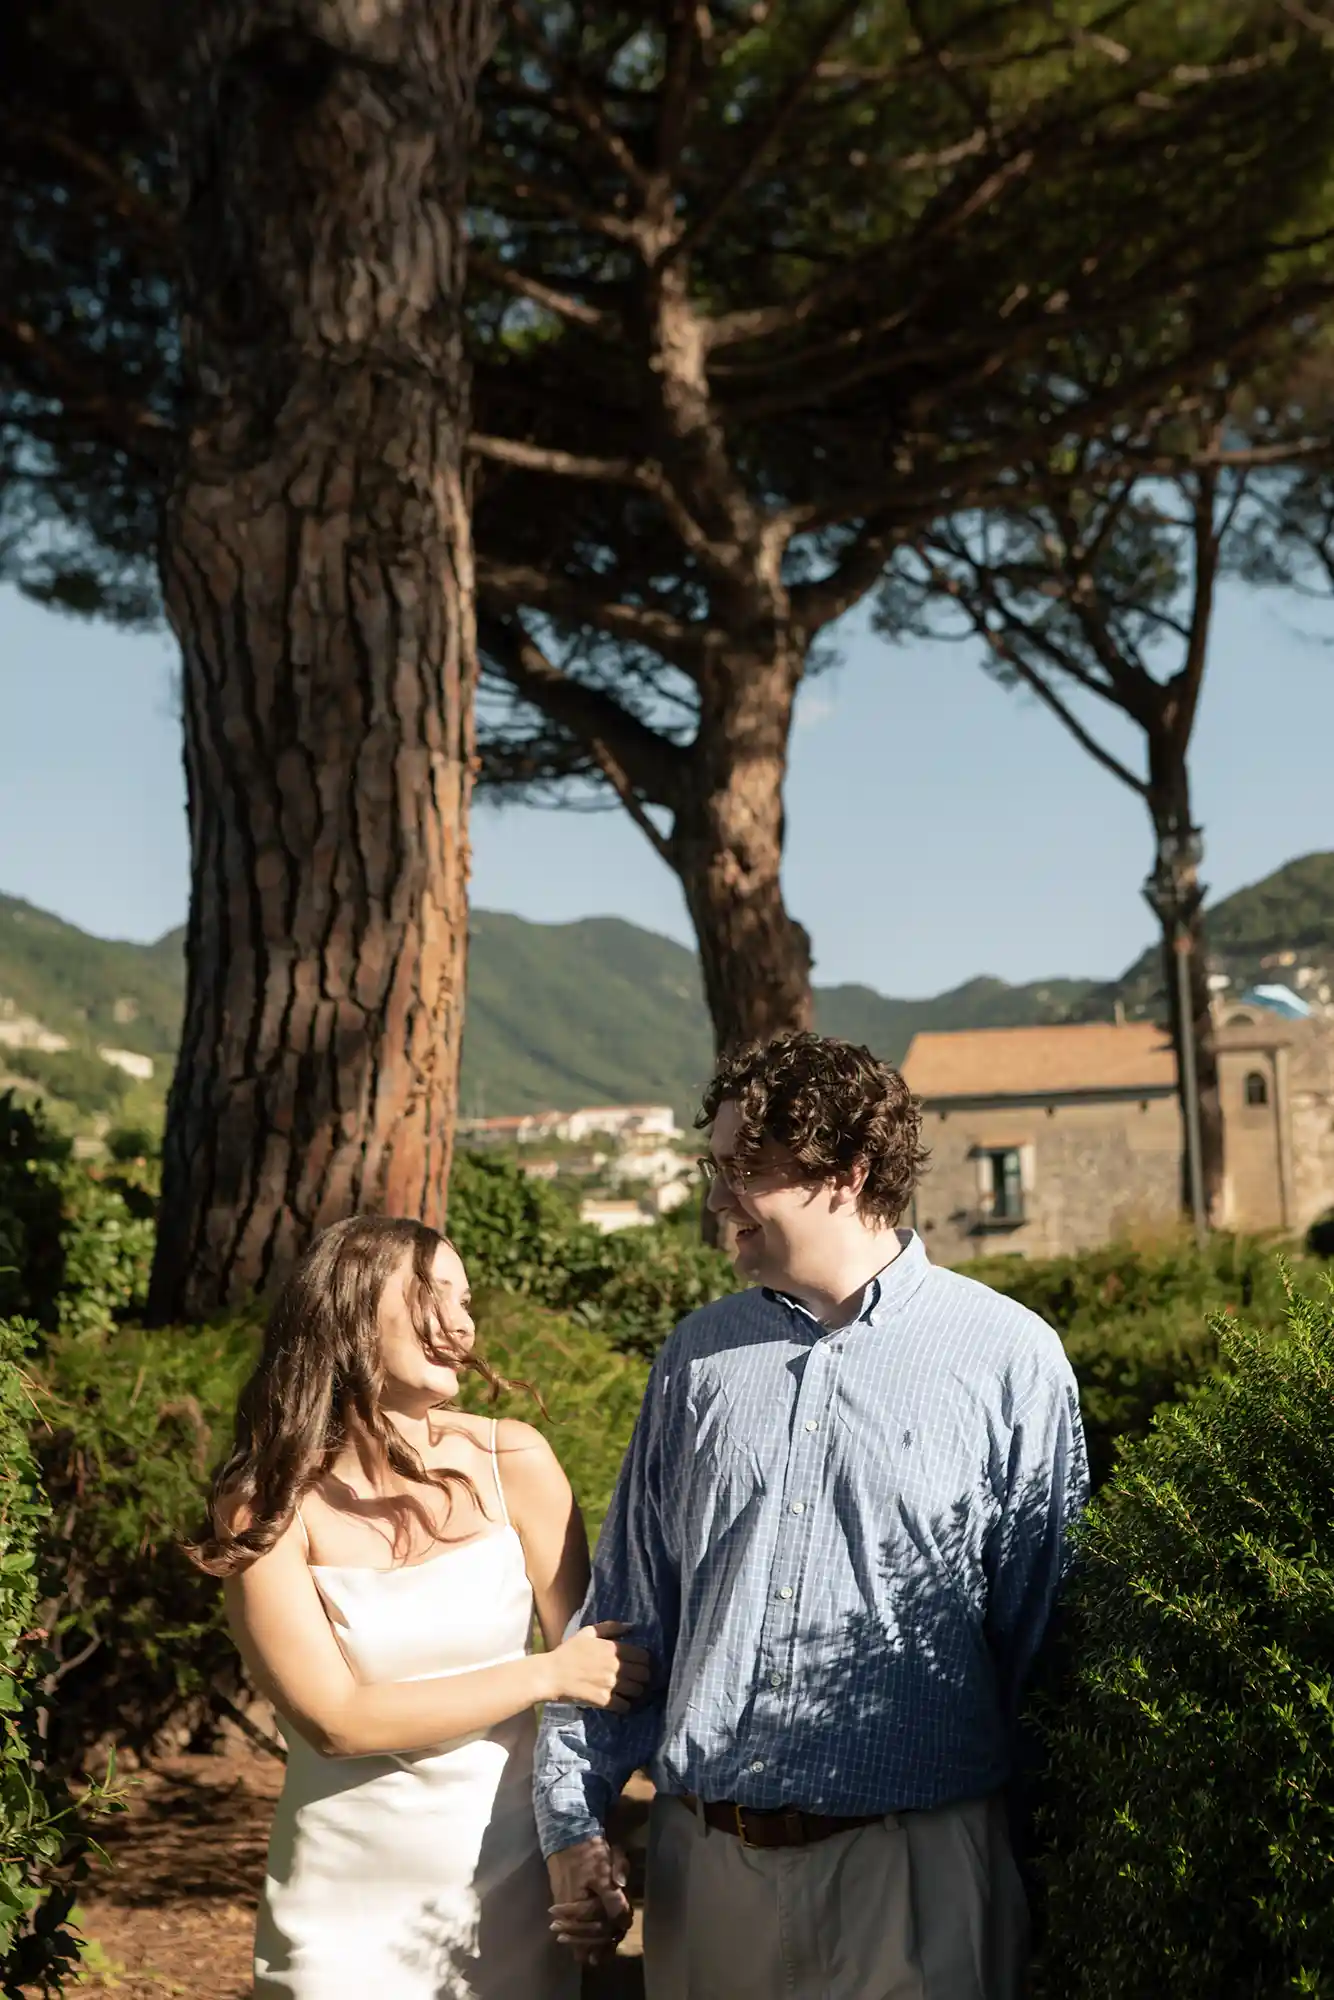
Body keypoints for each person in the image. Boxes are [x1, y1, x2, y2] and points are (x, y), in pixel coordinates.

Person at [535, 1032, 1089, 2000]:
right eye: (712, 1168)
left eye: (741, 1169)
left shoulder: (1010, 1358)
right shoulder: (695, 1359)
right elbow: (625, 1621)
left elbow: (1044, 1644)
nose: (716, 1200)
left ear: (847, 1170)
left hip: (918, 1881)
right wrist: (573, 1822)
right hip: (710, 1884)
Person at [191, 1213, 648, 2000]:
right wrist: (545, 1674)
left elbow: (594, 1697)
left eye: (466, 1301)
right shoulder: (263, 1506)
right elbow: (336, 1721)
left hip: (512, 1891)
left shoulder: (514, 1461)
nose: (462, 1323)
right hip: (338, 1906)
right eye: (434, 1295)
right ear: (349, 1308)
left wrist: (583, 1842)